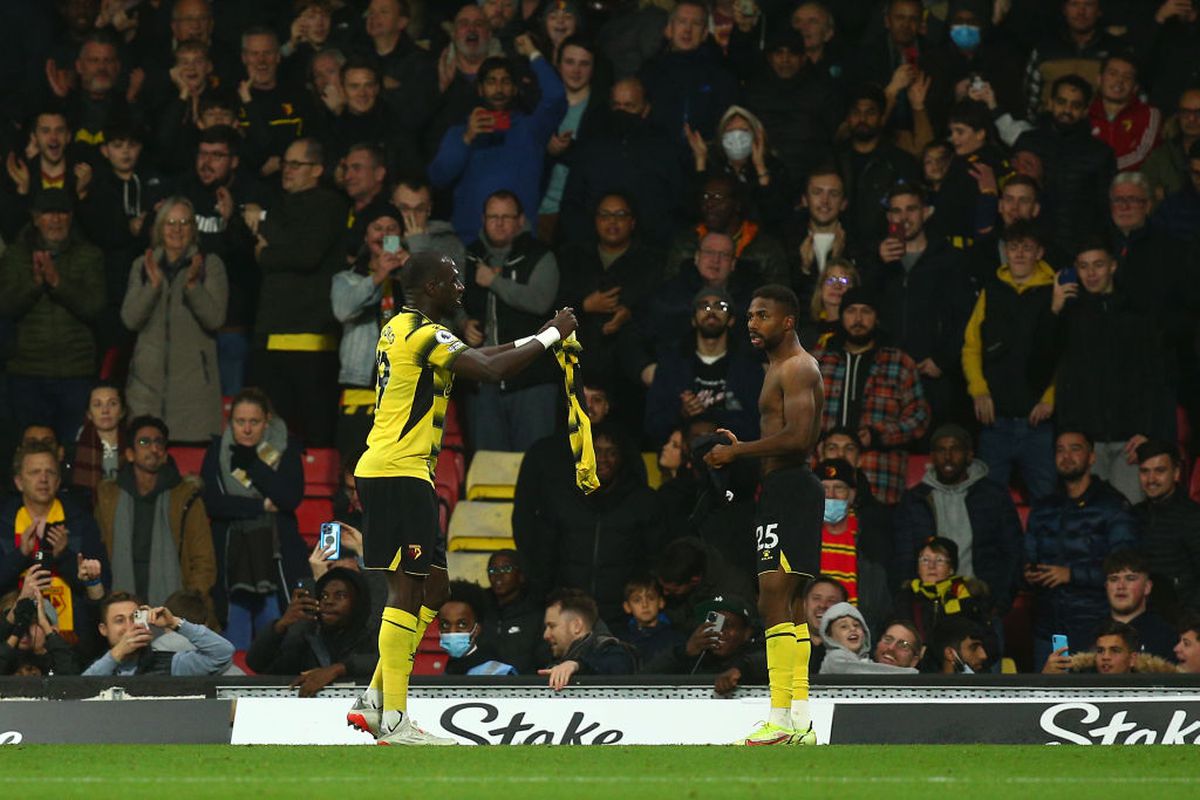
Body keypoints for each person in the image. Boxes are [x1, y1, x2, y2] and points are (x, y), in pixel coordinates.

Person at [345, 251, 577, 745]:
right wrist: (552, 336)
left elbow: (485, 355)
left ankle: (373, 697)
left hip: (401, 472)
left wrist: (539, 336)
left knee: (435, 589)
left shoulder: (402, 328)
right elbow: (489, 370)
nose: (461, 287)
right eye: (453, 280)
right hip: (398, 472)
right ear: (431, 287)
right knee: (406, 591)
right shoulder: (423, 334)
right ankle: (394, 720)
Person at [702, 284, 824, 746]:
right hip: (785, 488)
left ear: (788, 321)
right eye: (750, 315)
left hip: (790, 488)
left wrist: (739, 453)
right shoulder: (780, 366)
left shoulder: (797, 367)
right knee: (790, 603)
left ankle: (779, 719)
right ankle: (800, 721)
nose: (752, 323)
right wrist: (745, 451)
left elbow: (799, 438)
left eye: (763, 315)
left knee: (773, 597)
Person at [1047, 236, 1169, 504]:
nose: (1090, 273)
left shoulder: (1137, 314)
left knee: (1129, 517)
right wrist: (1054, 312)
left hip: (1130, 441)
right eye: (1083, 266)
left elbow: (1155, 378)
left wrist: (1147, 431)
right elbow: (1038, 369)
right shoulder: (1068, 315)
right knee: (1087, 519)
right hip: (1085, 440)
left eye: (1098, 265)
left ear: (1113, 266)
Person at [250, 137, 347, 447]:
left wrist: (267, 253)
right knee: (271, 438)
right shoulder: (279, 205)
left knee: (315, 436)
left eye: (296, 164)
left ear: (317, 169)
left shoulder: (329, 205)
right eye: (285, 163)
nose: (287, 170)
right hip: (271, 338)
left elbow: (306, 254)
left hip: (312, 342)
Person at [428, 37, 567, 241]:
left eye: (506, 82)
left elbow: (556, 97)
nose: (499, 89)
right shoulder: (460, 132)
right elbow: (438, 177)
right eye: (491, 82)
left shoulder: (531, 129)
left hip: (520, 241)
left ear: (515, 89)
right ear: (480, 89)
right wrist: (467, 138)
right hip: (470, 242)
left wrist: (533, 53)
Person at [200, 388, 307, 649]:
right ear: (230, 421)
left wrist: (254, 465)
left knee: (275, 644)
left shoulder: (286, 449)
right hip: (230, 562)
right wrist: (262, 505)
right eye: (240, 421)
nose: (247, 429)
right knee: (231, 648)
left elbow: (289, 498)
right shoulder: (217, 451)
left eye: (254, 422)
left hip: (275, 559)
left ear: (267, 420)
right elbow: (214, 503)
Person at [961, 220, 1058, 501]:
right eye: (1014, 247)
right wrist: (979, 391)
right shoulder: (992, 290)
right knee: (989, 504)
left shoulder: (1055, 292)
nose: (1019, 254)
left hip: (1039, 422)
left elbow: (1066, 352)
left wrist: (1050, 398)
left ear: (1039, 252)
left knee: (1047, 503)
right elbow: (971, 346)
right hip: (995, 421)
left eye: (1027, 247)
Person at [1024, 430, 1139, 666]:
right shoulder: (1044, 506)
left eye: (1075, 449)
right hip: (1048, 628)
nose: (1066, 456)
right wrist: (1026, 573)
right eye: (1060, 450)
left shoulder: (1112, 505)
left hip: (1094, 628)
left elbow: (1125, 569)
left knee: (1090, 690)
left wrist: (1071, 575)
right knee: (1046, 689)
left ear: (1092, 457)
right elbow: (1027, 555)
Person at [0, 188, 105, 445]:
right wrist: (35, 285)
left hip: (75, 373)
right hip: (27, 373)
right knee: (31, 451)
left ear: (71, 217)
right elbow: (6, 306)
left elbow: (95, 307)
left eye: (62, 213)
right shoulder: (15, 255)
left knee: (73, 451)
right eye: (48, 213)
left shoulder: (89, 255)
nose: (56, 219)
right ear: (36, 218)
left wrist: (58, 283)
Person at [532, 422, 662, 626]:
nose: (602, 459)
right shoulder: (561, 497)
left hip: (623, 615)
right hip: (570, 611)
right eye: (596, 451)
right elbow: (544, 555)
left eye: (611, 452)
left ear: (622, 457)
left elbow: (653, 557)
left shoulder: (643, 501)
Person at [122, 197, 229, 443]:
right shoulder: (142, 266)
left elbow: (215, 319)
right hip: (145, 394)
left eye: (184, 222)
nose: (177, 229)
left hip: (195, 396)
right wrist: (152, 287)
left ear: (194, 228)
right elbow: (130, 320)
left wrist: (192, 287)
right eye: (170, 223)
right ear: (160, 228)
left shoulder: (210, 265)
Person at [461, 191, 561, 452]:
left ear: (520, 220)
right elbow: (450, 303)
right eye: (493, 216)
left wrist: (494, 281)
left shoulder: (540, 255)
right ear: (483, 219)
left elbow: (540, 301)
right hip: (483, 382)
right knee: (488, 465)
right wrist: (463, 324)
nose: (499, 223)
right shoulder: (469, 256)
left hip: (531, 380)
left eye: (506, 217)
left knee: (533, 462)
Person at [94, 416, 217, 625]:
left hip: (175, 607)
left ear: (165, 453)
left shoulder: (186, 496)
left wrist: (187, 606)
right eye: (144, 442)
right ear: (130, 453)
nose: (153, 448)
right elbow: (98, 551)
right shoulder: (108, 498)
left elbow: (203, 560)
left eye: (159, 442)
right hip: (122, 602)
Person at [813, 287, 931, 505]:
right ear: (841, 316)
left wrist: (879, 435)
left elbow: (919, 417)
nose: (858, 319)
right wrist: (817, 440)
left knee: (875, 526)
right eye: (851, 311)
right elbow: (795, 414)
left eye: (866, 311)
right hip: (823, 476)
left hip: (879, 474)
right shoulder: (818, 361)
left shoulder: (899, 362)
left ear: (876, 317)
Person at [893, 424, 1023, 614]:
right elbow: (903, 556)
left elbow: (1013, 552)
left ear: (969, 455)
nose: (948, 456)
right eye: (941, 450)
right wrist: (909, 600)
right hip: (929, 604)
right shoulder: (915, 499)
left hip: (981, 603)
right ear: (932, 457)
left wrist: (1000, 602)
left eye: (955, 449)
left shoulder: (993, 496)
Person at [0, 442, 109, 639]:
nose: (43, 479)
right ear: (19, 482)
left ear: (58, 481)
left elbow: (102, 587)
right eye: (34, 472)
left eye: (50, 472)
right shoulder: (4, 523)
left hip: (74, 638)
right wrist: (20, 554)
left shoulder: (81, 521)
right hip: (13, 638)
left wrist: (64, 556)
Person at [644, 286, 765, 446]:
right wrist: (680, 413)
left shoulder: (749, 366)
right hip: (683, 455)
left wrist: (712, 420)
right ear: (693, 320)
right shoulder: (671, 365)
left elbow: (759, 424)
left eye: (720, 306)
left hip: (734, 454)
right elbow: (653, 424)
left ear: (731, 320)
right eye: (703, 306)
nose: (711, 311)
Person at [246, 567, 379, 695]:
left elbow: (383, 662)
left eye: (340, 596)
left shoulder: (373, 635)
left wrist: (340, 669)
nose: (329, 601)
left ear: (358, 602)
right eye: (324, 596)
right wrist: (280, 625)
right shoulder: (308, 637)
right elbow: (256, 664)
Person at [815, 458, 893, 634]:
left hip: (859, 631)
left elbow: (880, 599)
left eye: (839, 488)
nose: (831, 495)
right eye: (824, 488)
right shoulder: (802, 535)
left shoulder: (870, 537)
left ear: (851, 494)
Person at [82, 591, 234, 676]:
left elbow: (223, 653)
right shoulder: (99, 667)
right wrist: (118, 653)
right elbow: (81, 691)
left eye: (134, 618)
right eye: (119, 620)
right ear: (103, 629)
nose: (129, 627)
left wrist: (174, 623)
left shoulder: (171, 664)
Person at [1132, 439, 1200, 614]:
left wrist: (1191, 621)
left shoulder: (1192, 516)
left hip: (1184, 619)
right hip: (1143, 617)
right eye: (1144, 471)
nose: (1151, 479)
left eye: (1159, 471)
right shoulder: (1134, 515)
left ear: (1176, 473)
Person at [893, 537, 988, 648]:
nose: (931, 566)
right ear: (918, 568)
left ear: (951, 569)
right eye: (925, 560)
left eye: (939, 560)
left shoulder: (965, 595)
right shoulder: (906, 597)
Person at [538, 588, 636, 689]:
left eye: (552, 626)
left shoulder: (613, 652)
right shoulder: (553, 659)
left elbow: (615, 668)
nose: (546, 635)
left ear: (576, 626)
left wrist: (578, 665)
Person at [1087, 53, 1161, 172]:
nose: (1119, 81)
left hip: (1130, 178)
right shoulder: (1085, 111)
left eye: (1127, 77)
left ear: (1135, 87)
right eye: (1113, 74)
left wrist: (1102, 169)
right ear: (1099, 79)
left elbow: (1142, 154)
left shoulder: (1149, 114)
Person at [1101, 550, 1178, 661]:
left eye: (1130, 578)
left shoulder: (1169, 638)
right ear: (1106, 587)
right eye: (1114, 579)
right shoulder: (1088, 634)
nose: (1120, 586)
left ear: (1147, 587)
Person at [478, 550, 543, 673]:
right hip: (482, 683)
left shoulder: (536, 614)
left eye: (506, 569)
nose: (498, 575)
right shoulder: (480, 610)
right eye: (492, 570)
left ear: (521, 575)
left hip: (524, 684)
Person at [439, 579, 516, 676]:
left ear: (477, 629)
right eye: (445, 625)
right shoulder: (446, 670)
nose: (452, 631)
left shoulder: (499, 673)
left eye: (462, 624)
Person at [1042, 620, 1177, 674]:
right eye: (1100, 651)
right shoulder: (1081, 686)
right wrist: (1047, 677)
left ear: (1132, 659)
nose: (1105, 657)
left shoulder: (1150, 690)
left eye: (1115, 651)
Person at [72, 383, 129, 499]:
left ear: (122, 411)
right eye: (97, 405)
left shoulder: (133, 445)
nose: (105, 410)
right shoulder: (75, 450)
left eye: (112, 403)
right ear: (89, 414)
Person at [616, 575, 683, 665]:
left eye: (651, 598)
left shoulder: (675, 638)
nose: (645, 605)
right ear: (627, 607)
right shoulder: (622, 641)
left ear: (661, 602)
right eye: (637, 600)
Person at [800, 259, 859, 351]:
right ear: (821, 287)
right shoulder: (806, 331)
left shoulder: (857, 331)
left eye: (844, 281)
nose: (837, 286)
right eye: (831, 280)